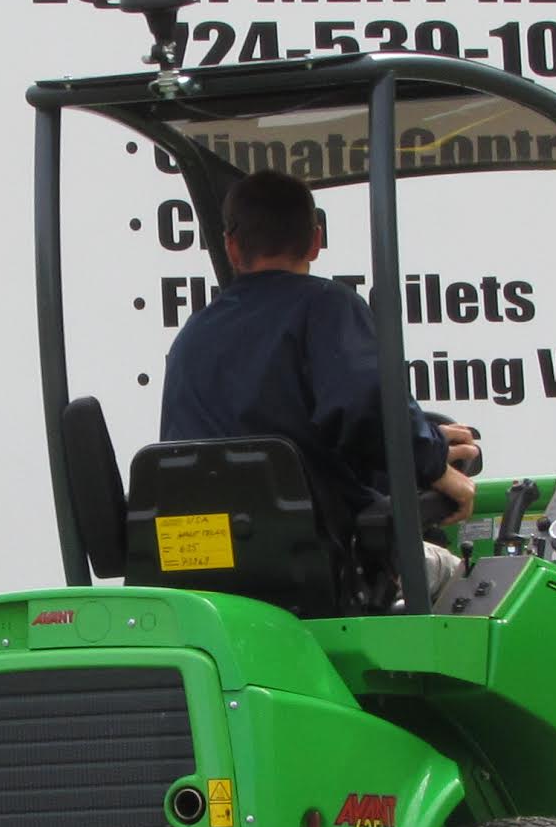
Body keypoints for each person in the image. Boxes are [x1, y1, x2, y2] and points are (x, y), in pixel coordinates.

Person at [158, 170, 479, 591]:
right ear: (316, 240)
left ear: (232, 248)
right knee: (472, 584)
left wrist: (424, 439)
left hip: (205, 567)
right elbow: (365, 407)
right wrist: (434, 462)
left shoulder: (193, 335)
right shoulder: (327, 307)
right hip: (323, 561)